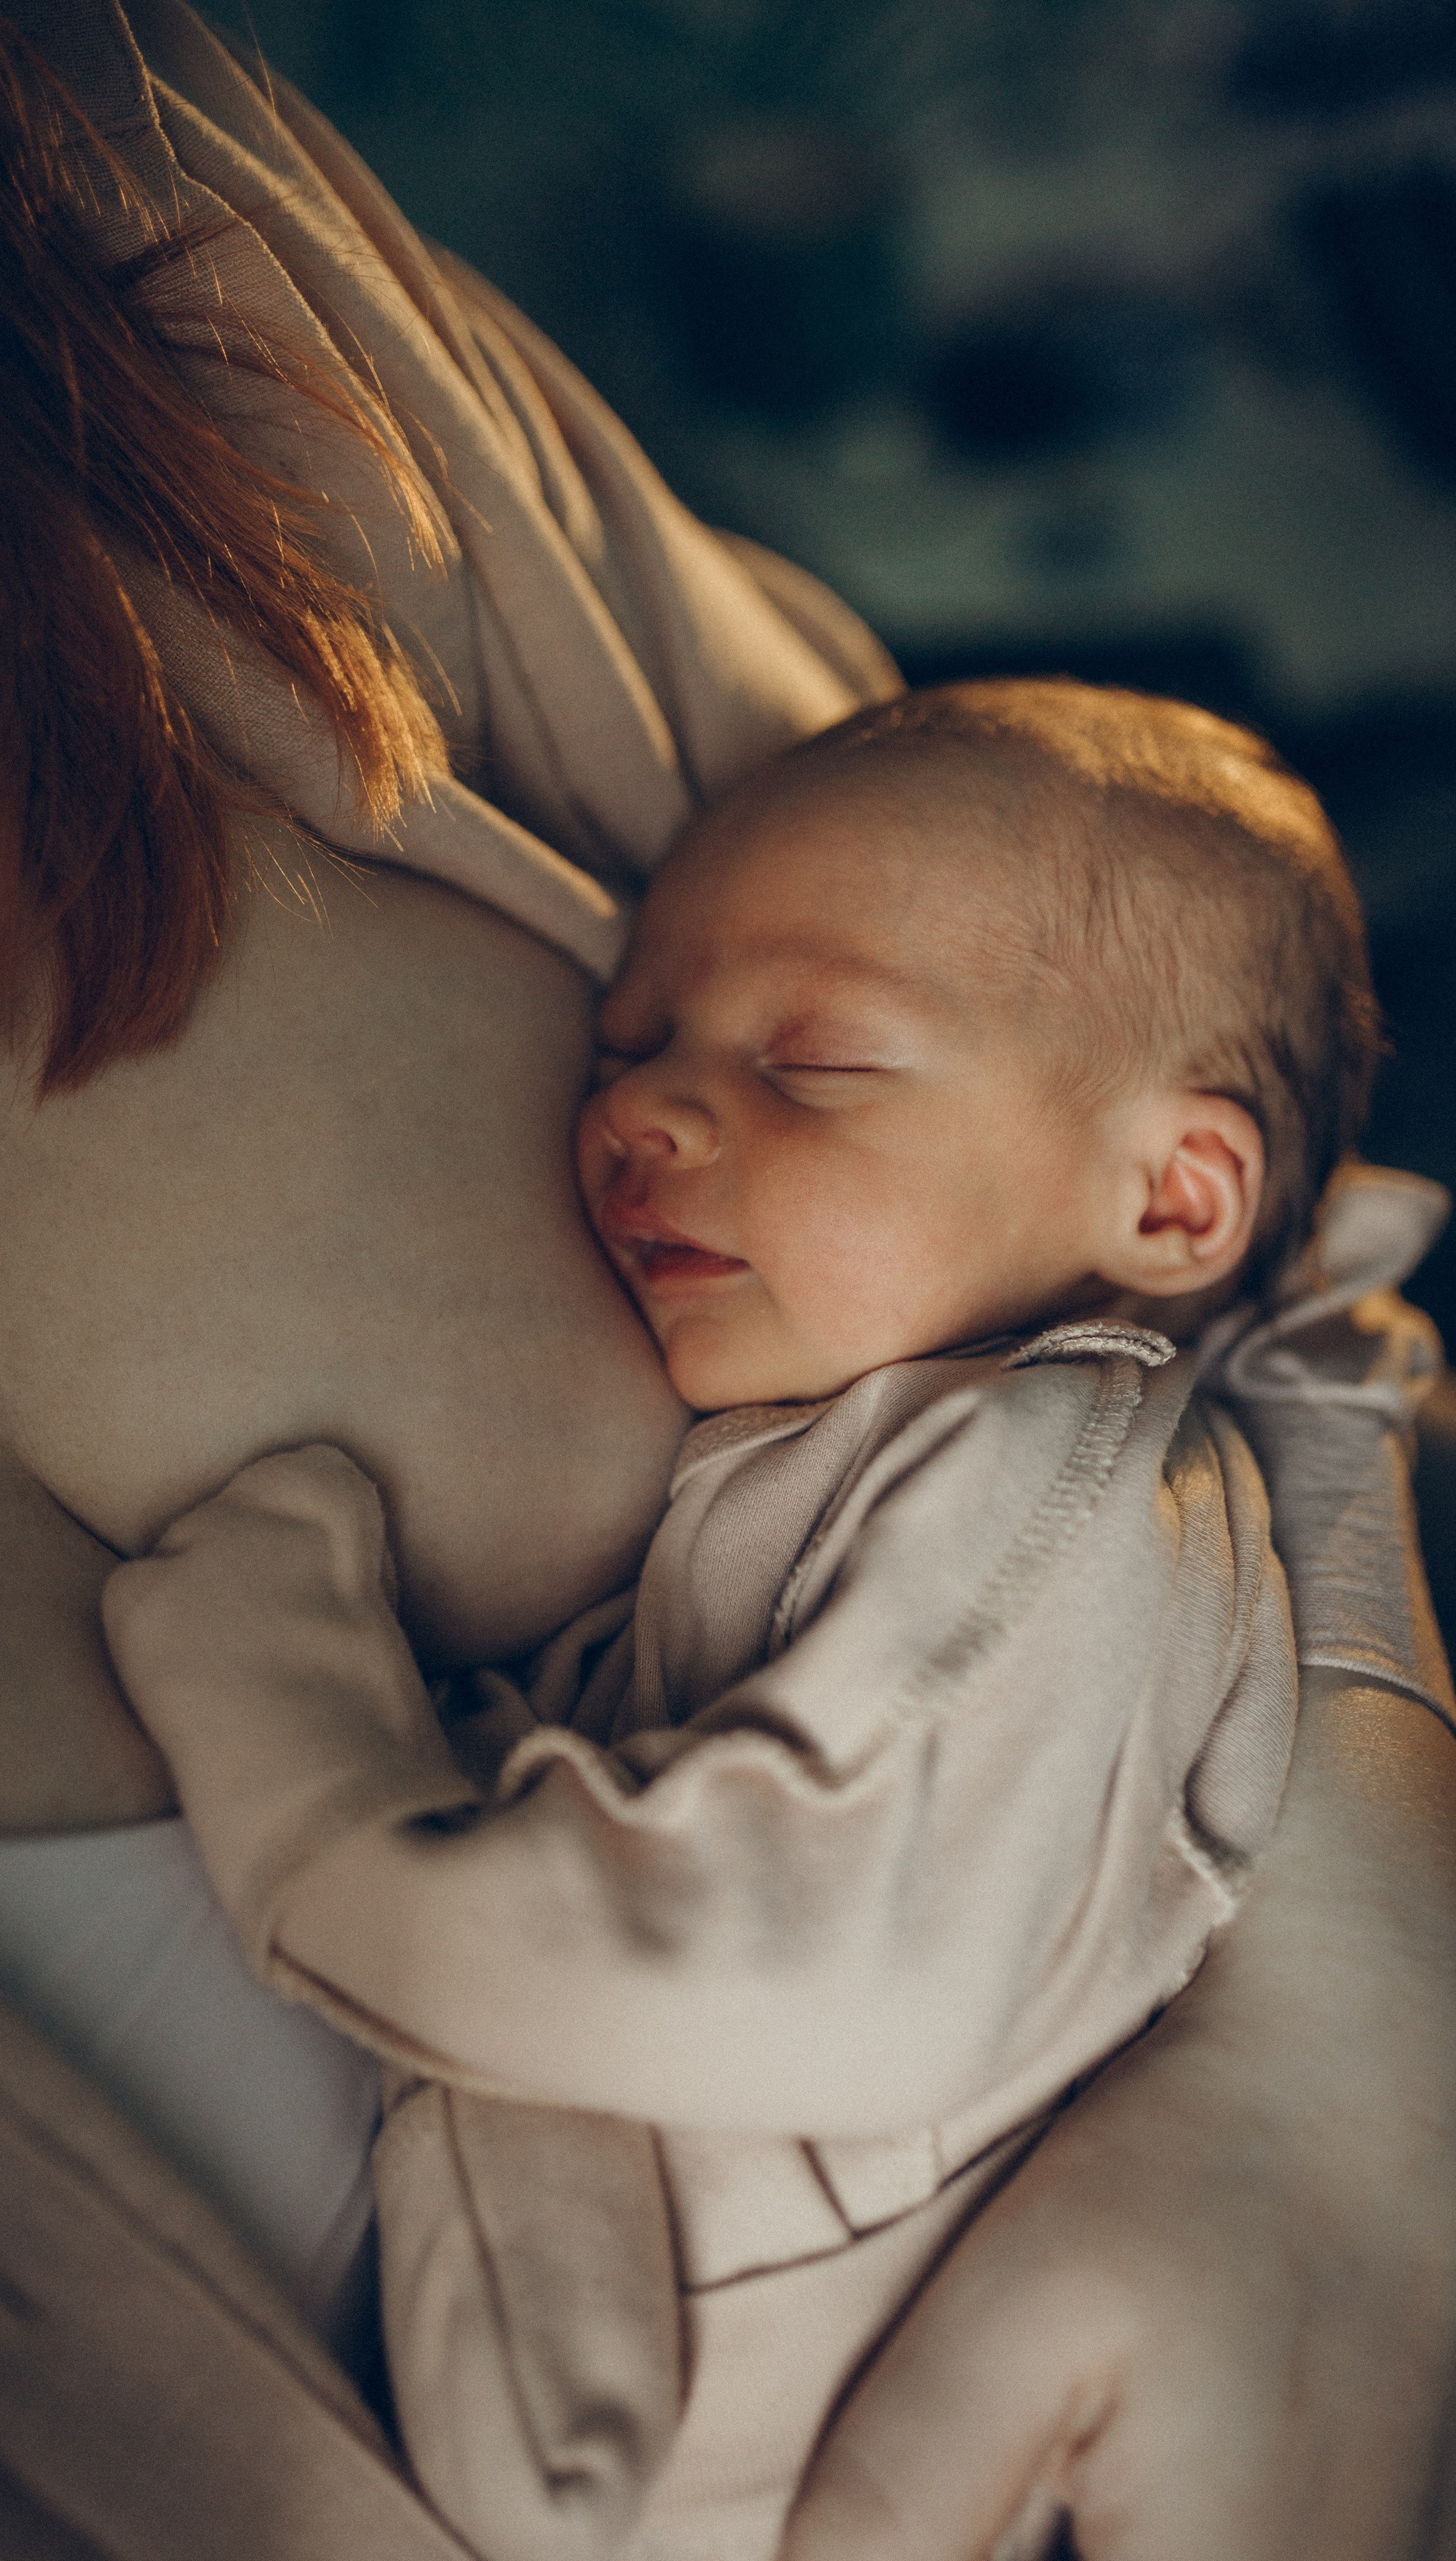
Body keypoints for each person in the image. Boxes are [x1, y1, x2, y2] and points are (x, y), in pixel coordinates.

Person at [0, 0, 1452, 2558]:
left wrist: (1357, 2011)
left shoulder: (51, 189)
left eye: (787, 1062)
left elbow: (1224, 1176)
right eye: (630, 1042)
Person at [104, 680, 1450, 2561]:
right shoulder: (849, 1467)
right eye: (633, 1036)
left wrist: (310, 1760)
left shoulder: (1067, 1493)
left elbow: (837, 1964)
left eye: (814, 1060)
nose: (649, 1102)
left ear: (1173, 1199)